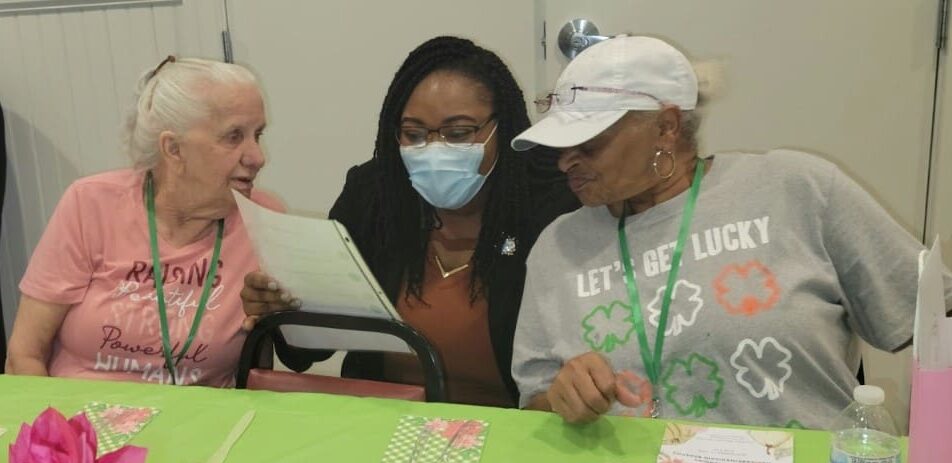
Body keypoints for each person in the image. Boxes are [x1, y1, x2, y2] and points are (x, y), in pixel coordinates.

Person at [510, 35, 951, 429]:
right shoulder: (559, 246)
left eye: (589, 142)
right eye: (561, 144)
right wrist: (562, 399)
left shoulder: (795, 189)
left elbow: (939, 320)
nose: (566, 160)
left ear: (665, 126)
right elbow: (535, 406)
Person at [241, 36, 578, 407]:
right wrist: (282, 309)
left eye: (458, 133)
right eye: (414, 134)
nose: (434, 149)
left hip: (512, 428)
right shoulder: (374, 194)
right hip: (384, 422)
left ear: (503, 128)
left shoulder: (551, 204)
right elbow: (309, 352)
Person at [6, 57, 281, 387]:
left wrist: (284, 312)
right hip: (82, 423)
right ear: (173, 148)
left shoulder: (266, 221)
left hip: (200, 428)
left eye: (258, 134)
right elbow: (24, 354)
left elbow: (273, 362)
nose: (257, 157)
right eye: (234, 136)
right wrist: (61, 434)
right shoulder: (91, 204)